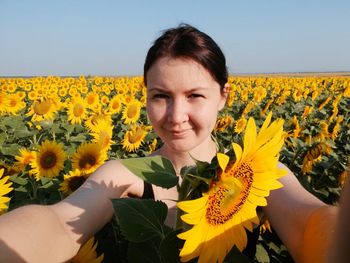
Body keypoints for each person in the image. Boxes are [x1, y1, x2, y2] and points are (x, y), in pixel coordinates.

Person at [0, 24, 342, 263]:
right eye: (161, 96)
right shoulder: (126, 176)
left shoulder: (259, 171)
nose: (177, 115)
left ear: (224, 96)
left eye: (195, 95)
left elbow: (310, 223)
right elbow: (60, 222)